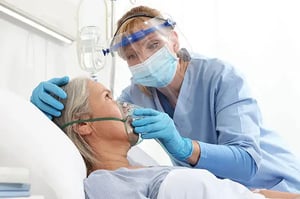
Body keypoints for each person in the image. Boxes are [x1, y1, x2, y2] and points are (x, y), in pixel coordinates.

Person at [30, 5, 300, 193]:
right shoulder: (136, 96)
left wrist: (183, 147)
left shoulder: (221, 77)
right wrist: (44, 113)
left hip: (277, 185)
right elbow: (95, 117)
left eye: (153, 45)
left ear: (173, 40)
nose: (144, 59)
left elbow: (247, 162)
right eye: (132, 56)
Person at [52, 75, 299, 199]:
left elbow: (251, 194)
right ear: (83, 124)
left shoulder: (143, 169)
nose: (124, 105)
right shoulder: (104, 183)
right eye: (108, 97)